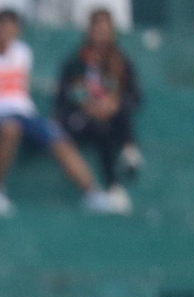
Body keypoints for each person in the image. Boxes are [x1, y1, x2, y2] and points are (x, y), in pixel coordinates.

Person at [0, 8, 122, 217]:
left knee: (56, 134)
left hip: (24, 115)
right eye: (2, 27)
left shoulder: (23, 53)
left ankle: (93, 193)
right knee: (9, 129)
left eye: (11, 27)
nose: (6, 32)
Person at [57, 9, 143, 201]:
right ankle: (109, 186)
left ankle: (129, 152)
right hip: (81, 117)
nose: (101, 35)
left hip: (111, 116)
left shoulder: (121, 62)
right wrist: (88, 106)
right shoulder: (76, 62)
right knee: (101, 129)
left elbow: (134, 96)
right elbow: (66, 96)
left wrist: (112, 104)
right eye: (97, 29)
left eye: (106, 30)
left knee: (119, 114)